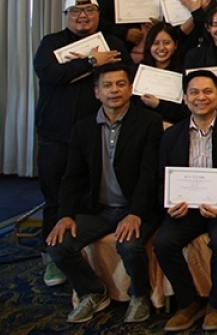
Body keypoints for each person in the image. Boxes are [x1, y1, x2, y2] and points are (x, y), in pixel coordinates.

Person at [46, 64, 163, 325]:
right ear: (96, 92)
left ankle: (139, 295)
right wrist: (65, 215)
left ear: (130, 89)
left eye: (121, 84)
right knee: (58, 245)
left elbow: (150, 175)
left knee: (129, 245)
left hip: (136, 207)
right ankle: (93, 292)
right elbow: (73, 177)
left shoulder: (149, 122)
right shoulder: (83, 128)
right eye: (107, 85)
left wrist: (136, 213)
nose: (114, 91)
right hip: (98, 210)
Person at [34, 0, 125, 287]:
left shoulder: (111, 43)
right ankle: (52, 256)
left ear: (98, 15)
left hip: (96, 134)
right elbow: (50, 74)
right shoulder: (51, 43)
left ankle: (86, 253)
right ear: (67, 16)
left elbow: (122, 80)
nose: (83, 16)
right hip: (55, 133)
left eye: (89, 11)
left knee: (89, 194)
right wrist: (91, 62)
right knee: (54, 196)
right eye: (76, 11)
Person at [154, 70, 217, 332]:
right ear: (184, 98)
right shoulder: (171, 136)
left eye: (208, 91)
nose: (201, 97)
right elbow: (161, 179)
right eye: (194, 92)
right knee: (163, 243)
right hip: (186, 209)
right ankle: (189, 303)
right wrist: (169, 204)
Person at [134, 22, 189, 124]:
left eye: (166, 43)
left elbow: (186, 112)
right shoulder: (138, 72)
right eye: (156, 43)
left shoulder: (184, 74)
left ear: (176, 45)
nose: (161, 48)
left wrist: (158, 105)